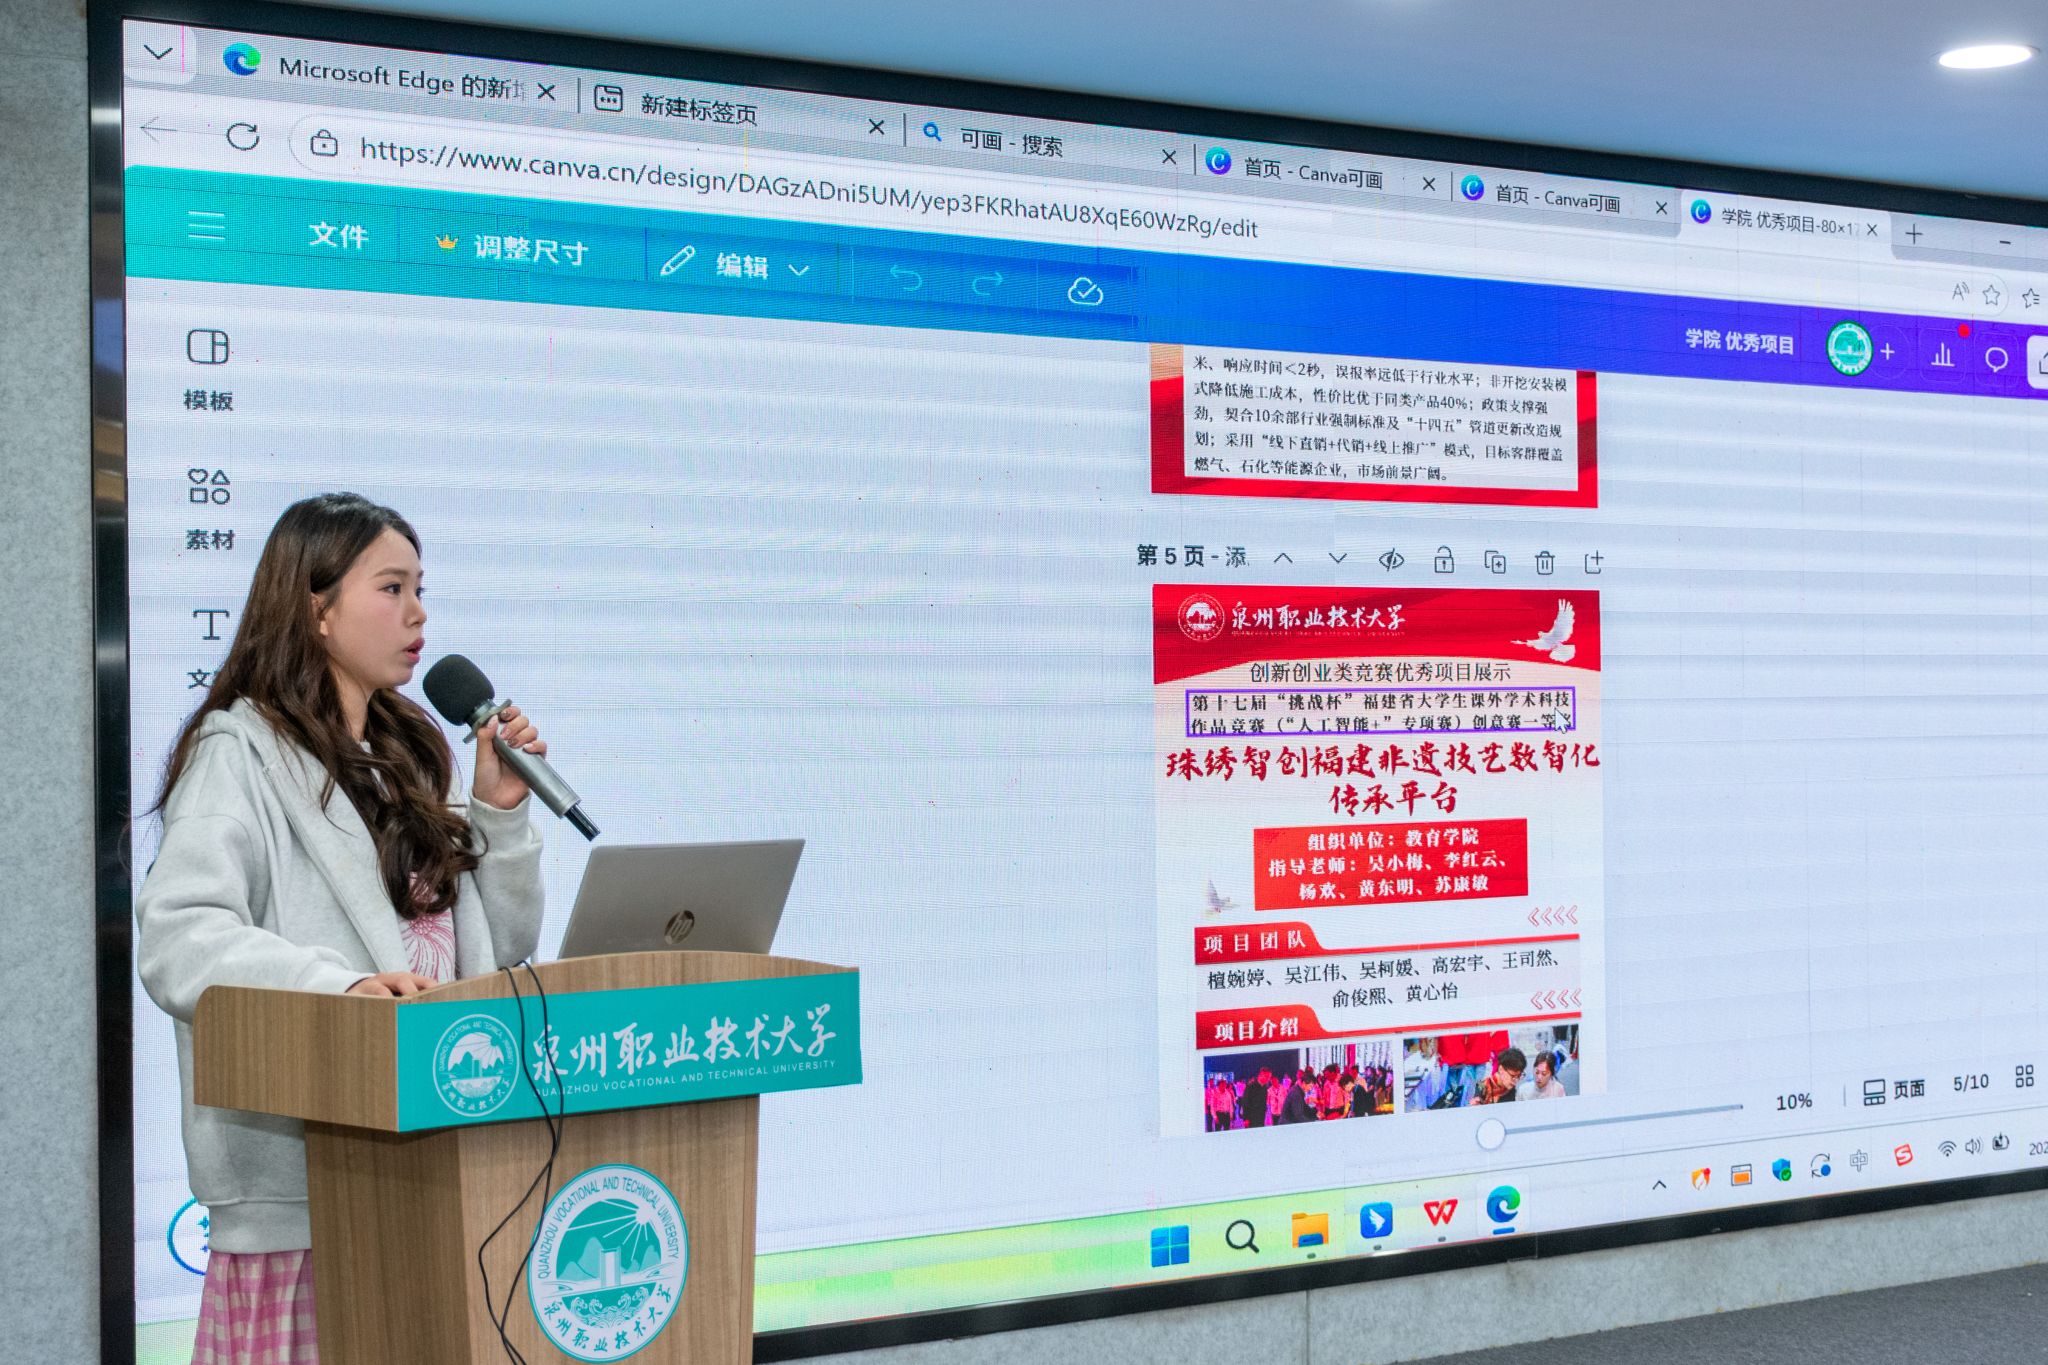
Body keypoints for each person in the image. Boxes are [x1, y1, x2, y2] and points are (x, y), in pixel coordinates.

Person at [135, 493, 547, 1365]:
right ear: (315, 608)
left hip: (434, 1171)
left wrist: (501, 817)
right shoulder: (237, 753)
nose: (418, 613)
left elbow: (498, 954)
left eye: (421, 588)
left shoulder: (411, 757)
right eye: (392, 588)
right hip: (305, 1203)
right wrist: (341, 987)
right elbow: (178, 935)